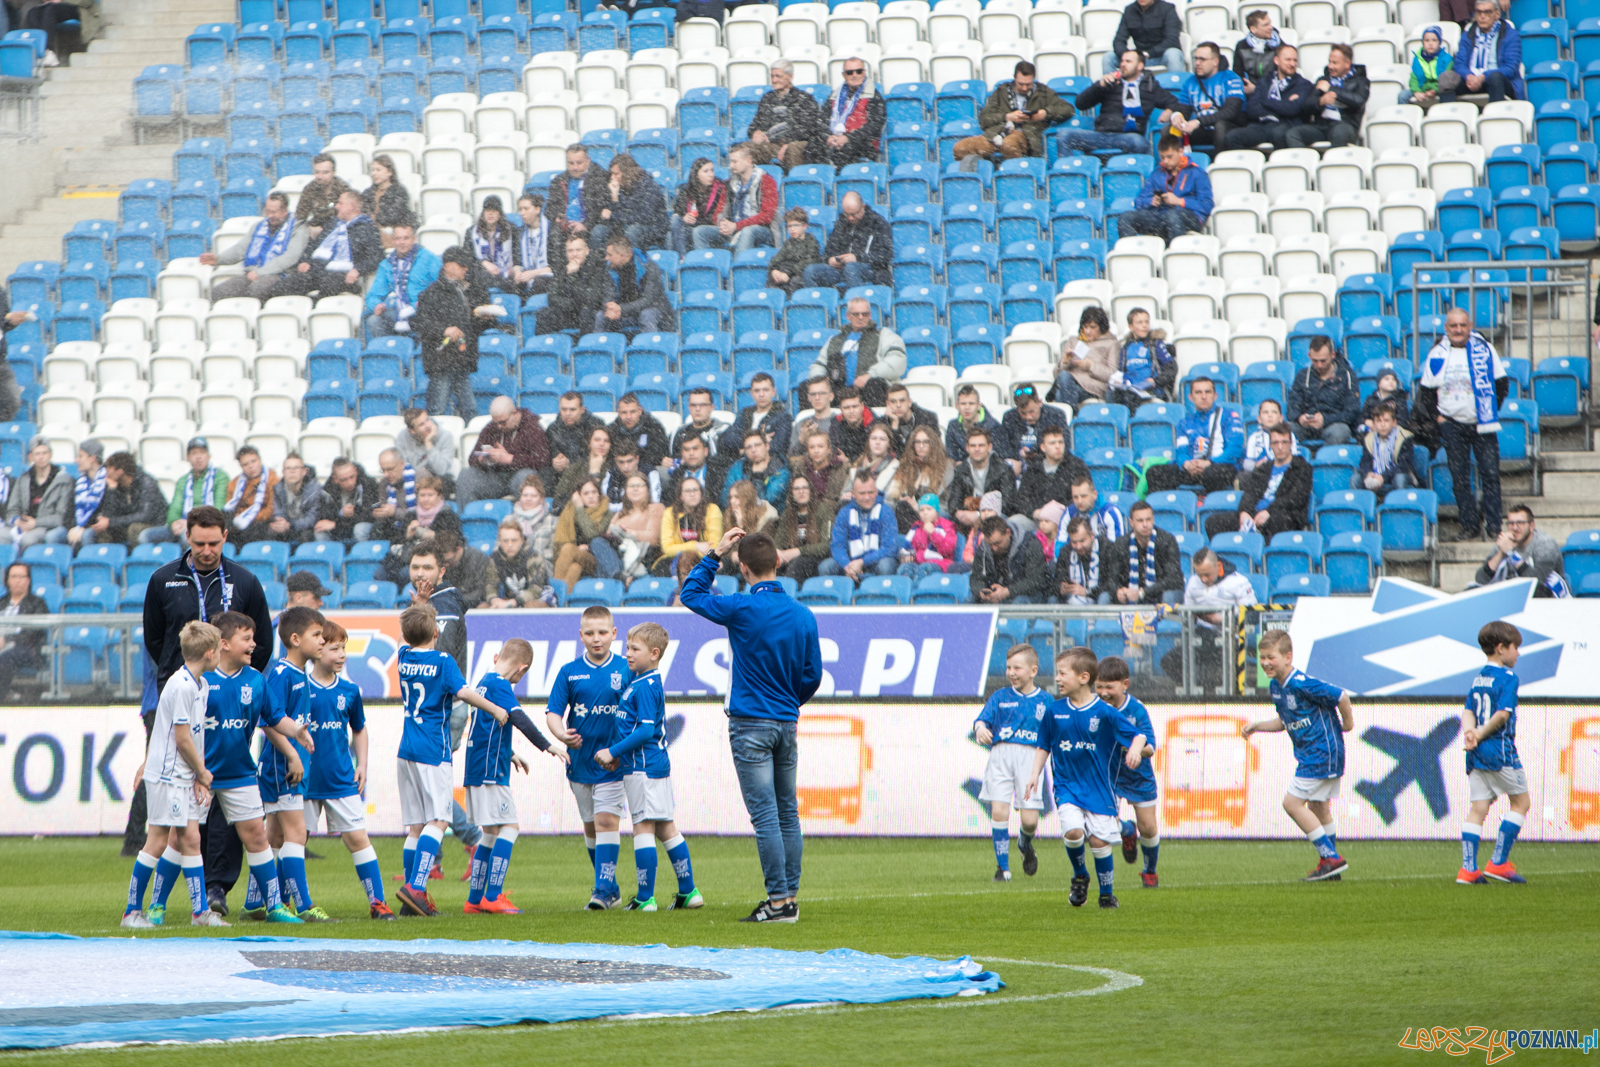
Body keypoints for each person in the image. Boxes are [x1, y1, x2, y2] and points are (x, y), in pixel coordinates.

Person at [681, 530, 821, 922]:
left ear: (742, 568)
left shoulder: (741, 607)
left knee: (765, 817)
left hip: (749, 725)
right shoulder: (802, 614)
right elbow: (813, 676)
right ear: (778, 562)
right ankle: (789, 897)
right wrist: (790, 704)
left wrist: (714, 553)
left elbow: (690, 596)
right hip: (785, 722)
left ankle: (778, 902)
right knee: (787, 812)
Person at [392, 602, 515, 917]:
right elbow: (464, 692)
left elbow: (408, 639)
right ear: (436, 632)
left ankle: (411, 898)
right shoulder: (443, 661)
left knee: (416, 826)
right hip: (434, 750)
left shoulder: (403, 658)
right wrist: (494, 708)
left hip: (406, 750)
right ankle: (416, 888)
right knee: (440, 820)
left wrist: (416, 604)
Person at [197, 612, 306, 924]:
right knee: (179, 841)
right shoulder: (200, 680)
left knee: (257, 837)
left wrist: (296, 731)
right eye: (247, 639)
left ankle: (274, 907)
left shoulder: (256, 680)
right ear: (224, 644)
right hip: (199, 775)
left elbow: (274, 718)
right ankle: (155, 906)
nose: (254, 645)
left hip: (240, 775)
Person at [119, 620, 227, 929]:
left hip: (182, 775)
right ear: (209, 653)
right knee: (156, 841)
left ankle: (200, 913)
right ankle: (131, 912)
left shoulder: (199, 685)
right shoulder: (181, 686)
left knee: (191, 838)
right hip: (168, 775)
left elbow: (195, 735)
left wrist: (195, 776)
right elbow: (181, 738)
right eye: (219, 649)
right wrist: (202, 773)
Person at [1023, 647, 1149, 909]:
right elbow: (1043, 745)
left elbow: (1139, 735)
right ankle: (1080, 875)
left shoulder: (1104, 712)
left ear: (1083, 677)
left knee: (1099, 841)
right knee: (1073, 832)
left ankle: (1106, 893)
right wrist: (1034, 774)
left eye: (1062, 673)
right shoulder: (1054, 711)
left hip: (1100, 789)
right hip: (1067, 786)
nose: (1056, 678)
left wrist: (1136, 749)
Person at [596, 622, 703, 911]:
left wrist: (613, 752)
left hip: (643, 768)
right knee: (666, 827)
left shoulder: (644, 686)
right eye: (627, 647)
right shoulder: (644, 682)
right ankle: (688, 892)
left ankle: (645, 898)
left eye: (634, 649)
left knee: (643, 827)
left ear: (654, 653)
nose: (627, 654)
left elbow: (644, 732)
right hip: (652, 766)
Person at [462, 639, 568, 914]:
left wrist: (509, 753)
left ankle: (474, 901)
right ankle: (493, 895)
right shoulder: (501, 685)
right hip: (490, 772)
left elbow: (486, 727)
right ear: (522, 669)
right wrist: (548, 745)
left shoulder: (485, 681)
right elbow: (519, 719)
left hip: (478, 767)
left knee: (490, 832)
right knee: (510, 828)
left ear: (497, 656)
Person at [301, 620, 398, 919]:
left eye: (344, 648)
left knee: (358, 839)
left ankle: (377, 902)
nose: (342, 654)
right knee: (291, 842)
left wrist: (363, 765)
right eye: (334, 649)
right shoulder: (298, 686)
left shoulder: (350, 690)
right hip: (303, 780)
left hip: (341, 779)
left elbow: (359, 729)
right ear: (317, 651)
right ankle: (285, 903)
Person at [1241, 629, 1354, 882]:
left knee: (1291, 804)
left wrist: (1347, 723)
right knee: (1319, 808)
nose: (1265, 663)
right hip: (1313, 754)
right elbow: (1284, 721)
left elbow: (1341, 696)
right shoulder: (1276, 686)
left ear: (1288, 657)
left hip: (1322, 752)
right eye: (1262, 658)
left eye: (1271, 657)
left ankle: (1331, 858)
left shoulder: (1301, 683)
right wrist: (1257, 725)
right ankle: (1330, 867)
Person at [544, 607, 633, 911]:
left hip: (613, 762)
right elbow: (553, 713)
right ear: (581, 635)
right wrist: (561, 735)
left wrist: (622, 748)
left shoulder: (627, 669)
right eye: (590, 633)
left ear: (614, 634)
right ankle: (611, 887)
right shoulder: (569, 672)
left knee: (607, 820)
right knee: (591, 826)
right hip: (579, 761)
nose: (597, 639)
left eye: (603, 633)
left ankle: (603, 891)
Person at [143, 506, 276, 695]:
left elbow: (262, 641)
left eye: (213, 544)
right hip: (179, 689)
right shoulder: (163, 580)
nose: (206, 551)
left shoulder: (245, 581)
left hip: (231, 691)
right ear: (188, 537)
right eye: (199, 544)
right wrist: (180, 670)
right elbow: (155, 640)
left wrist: (237, 676)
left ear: (225, 536)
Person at [252, 606, 329, 921]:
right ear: (295, 639)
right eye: (317, 635)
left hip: (288, 765)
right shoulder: (283, 674)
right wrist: (293, 754)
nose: (322, 641)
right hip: (281, 767)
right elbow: (269, 721)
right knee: (297, 833)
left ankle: (259, 901)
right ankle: (305, 905)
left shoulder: (299, 674)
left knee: (277, 837)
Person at [1417, 307, 1507, 542]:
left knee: (1490, 475)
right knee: (1459, 478)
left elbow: (1502, 383)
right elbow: (1426, 392)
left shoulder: (1485, 349)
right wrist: (1438, 417)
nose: (1458, 330)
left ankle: (1495, 526)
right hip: (1453, 425)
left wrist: (1488, 409)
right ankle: (1470, 525)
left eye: (1462, 325)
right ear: (1446, 328)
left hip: (1482, 425)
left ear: (1470, 326)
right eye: (1453, 326)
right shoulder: (1437, 353)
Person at [1458, 621, 1531, 885]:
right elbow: (1502, 715)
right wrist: (1480, 733)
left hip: (1475, 753)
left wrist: (1470, 732)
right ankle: (1498, 862)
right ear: (1501, 648)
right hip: (1499, 751)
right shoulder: (1508, 678)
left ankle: (1468, 869)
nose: (1518, 653)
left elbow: (1467, 710)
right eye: (1516, 648)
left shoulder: (1479, 677)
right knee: (1521, 803)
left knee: (1478, 807)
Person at [974, 645, 1051, 882]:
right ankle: (1002, 868)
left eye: (1017, 668)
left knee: (1030, 821)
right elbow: (981, 720)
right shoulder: (1000, 697)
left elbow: (1054, 732)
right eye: (1008, 668)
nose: (1011, 672)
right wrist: (980, 728)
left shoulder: (1046, 700)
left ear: (1033, 670)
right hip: (1001, 756)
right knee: (999, 810)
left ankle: (1024, 842)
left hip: (1030, 759)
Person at [1096, 656, 1162, 889]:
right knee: (1103, 825)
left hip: (1137, 777)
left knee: (1149, 827)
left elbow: (1150, 747)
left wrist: (1135, 750)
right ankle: (1126, 830)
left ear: (1125, 684)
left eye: (1109, 687)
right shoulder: (1093, 708)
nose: (1103, 692)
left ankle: (1149, 871)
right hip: (1107, 776)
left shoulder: (1136, 709)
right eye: (1099, 686)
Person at [415, 247, 500, 420]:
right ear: (448, 266)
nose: (465, 269)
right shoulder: (431, 294)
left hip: (460, 357)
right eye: (461, 265)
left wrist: (486, 318)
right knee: (439, 409)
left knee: (468, 410)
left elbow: (473, 325)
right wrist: (444, 330)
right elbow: (420, 323)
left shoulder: (469, 289)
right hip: (442, 359)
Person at [1162, 548, 1257, 690]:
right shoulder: (1193, 582)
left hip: (1232, 636)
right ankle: (1202, 690)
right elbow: (1188, 613)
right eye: (1200, 575)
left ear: (1218, 567)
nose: (1204, 579)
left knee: (1234, 667)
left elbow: (1252, 615)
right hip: (1201, 634)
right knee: (1169, 661)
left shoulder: (1238, 582)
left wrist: (1220, 620)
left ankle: (1231, 695)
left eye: (1207, 575)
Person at [1061, 49, 1183, 157]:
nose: (1123, 64)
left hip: (1127, 138)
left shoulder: (1150, 87)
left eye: (1128, 61)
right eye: (1122, 61)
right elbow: (1080, 104)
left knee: (1138, 142)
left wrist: (1169, 110)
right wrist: (1099, 85)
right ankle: (1069, 177)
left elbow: (1177, 102)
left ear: (1140, 65)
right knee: (1064, 136)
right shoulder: (1111, 82)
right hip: (1100, 136)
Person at [953, 60, 1074, 164]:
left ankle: (1015, 177)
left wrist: (1046, 113)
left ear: (1034, 79)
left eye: (1028, 84)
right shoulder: (1001, 92)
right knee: (960, 148)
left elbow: (1068, 109)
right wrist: (1006, 117)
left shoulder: (1044, 93)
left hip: (1026, 137)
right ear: (1014, 78)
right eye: (1021, 84)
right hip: (996, 134)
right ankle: (981, 178)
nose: (1024, 88)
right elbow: (984, 119)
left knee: (1008, 144)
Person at [1206, 425, 1311, 540]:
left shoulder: (1302, 468)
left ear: (1291, 444)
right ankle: (1226, 556)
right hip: (1255, 515)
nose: (1280, 447)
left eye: (1284, 442)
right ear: (1270, 445)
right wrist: (1244, 512)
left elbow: (1295, 498)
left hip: (1283, 515)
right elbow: (1250, 493)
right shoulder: (1264, 468)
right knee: (1213, 522)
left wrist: (1269, 512)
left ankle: (1260, 551)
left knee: (1278, 520)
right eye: (1275, 443)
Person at [202, 192, 307, 301]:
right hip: (251, 273)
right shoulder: (259, 226)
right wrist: (219, 259)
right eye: (267, 211)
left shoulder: (297, 227)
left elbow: (291, 256)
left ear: (285, 211)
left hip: (278, 274)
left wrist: (261, 272)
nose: (269, 215)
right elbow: (241, 249)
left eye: (273, 212)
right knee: (219, 291)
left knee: (257, 289)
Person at [1146, 376, 1243, 494]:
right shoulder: (1185, 423)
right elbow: (1181, 452)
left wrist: (1209, 463)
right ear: (1191, 397)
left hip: (1220, 467)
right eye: (1198, 392)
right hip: (1192, 469)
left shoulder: (1229, 416)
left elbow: (1234, 450)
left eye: (1208, 392)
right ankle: (1172, 508)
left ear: (1215, 396)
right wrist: (1187, 464)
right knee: (1155, 472)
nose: (1203, 396)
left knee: (1212, 473)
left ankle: (1212, 508)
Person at [276, 189, 381, 298]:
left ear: (351, 206)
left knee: (328, 285)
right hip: (317, 272)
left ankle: (313, 309)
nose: (336, 207)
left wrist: (358, 270)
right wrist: (305, 261)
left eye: (340, 203)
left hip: (343, 275)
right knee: (284, 285)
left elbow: (376, 257)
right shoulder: (333, 224)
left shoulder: (367, 228)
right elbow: (313, 245)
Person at [807, 298, 906, 408]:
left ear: (870, 315)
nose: (860, 317)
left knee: (874, 384)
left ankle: (875, 422)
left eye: (865, 314)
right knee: (808, 387)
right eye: (856, 314)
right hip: (838, 389)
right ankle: (810, 424)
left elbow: (898, 361)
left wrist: (869, 375)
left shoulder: (884, 335)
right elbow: (819, 364)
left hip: (868, 388)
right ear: (848, 316)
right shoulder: (835, 340)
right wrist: (820, 380)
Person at [1120, 134, 1213, 245]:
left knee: (1173, 216)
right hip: (1162, 217)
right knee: (1126, 218)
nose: (1165, 161)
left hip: (1191, 217)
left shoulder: (1197, 173)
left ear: (1180, 152)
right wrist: (1151, 201)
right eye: (1162, 157)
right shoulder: (1157, 173)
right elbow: (1138, 202)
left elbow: (1207, 205)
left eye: (1169, 157)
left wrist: (1180, 202)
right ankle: (1133, 257)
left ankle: (1178, 255)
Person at [459, 397, 551, 505]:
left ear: (514, 413)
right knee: (466, 476)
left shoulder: (532, 428)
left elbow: (543, 460)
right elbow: (472, 459)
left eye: (503, 422)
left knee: (525, 477)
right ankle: (468, 518)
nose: (499, 426)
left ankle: (524, 519)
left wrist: (510, 459)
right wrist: (482, 459)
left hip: (521, 475)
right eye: (496, 422)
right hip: (495, 478)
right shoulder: (492, 428)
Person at [1226, 44, 1315, 151]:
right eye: (1288, 60)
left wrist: (1264, 102)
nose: (1292, 64)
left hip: (1286, 125)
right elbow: (1252, 108)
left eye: (1295, 60)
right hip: (1261, 125)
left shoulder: (1303, 84)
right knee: (1232, 137)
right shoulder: (1264, 81)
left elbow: (1292, 109)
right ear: (1277, 61)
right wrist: (1282, 105)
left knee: (1278, 133)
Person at [694, 143, 778, 253]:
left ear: (748, 161)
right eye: (731, 162)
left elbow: (767, 216)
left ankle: (738, 267)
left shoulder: (766, 181)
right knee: (699, 231)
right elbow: (720, 211)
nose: (731, 165)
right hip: (733, 227)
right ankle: (705, 267)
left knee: (748, 231)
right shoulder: (729, 183)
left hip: (760, 230)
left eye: (735, 161)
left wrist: (737, 226)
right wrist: (723, 223)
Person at [1162, 43, 1245, 153]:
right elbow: (1183, 109)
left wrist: (1198, 122)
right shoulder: (1190, 82)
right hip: (1201, 129)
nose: (1197, 63)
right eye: (1196, 59)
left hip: (1229, 127)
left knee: (1220, 126)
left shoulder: (1231, 78)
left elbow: (1231, 111)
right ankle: (1178, 167)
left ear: (1215, 61)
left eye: (1202, 59)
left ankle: (1220, 166)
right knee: (1168, 130)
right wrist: (1177, 116)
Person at [803, 192, 894, 291]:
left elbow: (886, 255)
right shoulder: (842, 222)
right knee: (810, 271)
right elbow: (829, 249)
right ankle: (816, 302)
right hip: (840, 270)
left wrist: (857, 258)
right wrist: (830, 259)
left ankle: (857, 303)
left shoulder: (878, 223)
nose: (850, 218)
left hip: (871, 269)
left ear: (863, 207)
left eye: (854, 214)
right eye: (847, 214)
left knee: (851, 268)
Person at [363, 224, 440, 339]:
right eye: (398, 238)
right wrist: (376, 305)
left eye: (406, 238)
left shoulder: (428, 258)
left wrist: (423, 303)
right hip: (399, 311)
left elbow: (441, 286)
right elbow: (373, 294)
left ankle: (421, 353)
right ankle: (387, 352)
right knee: (374, 320)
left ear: (414, 239)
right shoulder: (387, 265)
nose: (402, 242)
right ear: (393, 241)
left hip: (423, 310)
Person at [820, 469, 898, 582]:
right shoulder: (844, 513)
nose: (867, 497)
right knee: (825, 567)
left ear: (876, 492)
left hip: (877, 561)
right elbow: (837, 546)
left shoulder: (886, 511)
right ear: (853, 494)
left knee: (885, 566)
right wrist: (847, 566)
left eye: (870, 492)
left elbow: (890, 548)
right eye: (862, 493)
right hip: (851, 561)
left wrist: (862, 562)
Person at [1287, 44, 1369, 151]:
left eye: (1335, 63)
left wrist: (1332, 89)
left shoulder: (1361, 81)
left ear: (1347, 63)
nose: (1330, 66)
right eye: (1330, 62)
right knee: (1293, 133)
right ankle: (1305, 163)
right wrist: (1320, 101)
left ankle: (1334, 166)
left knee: (1339, 132)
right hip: (1321, 125)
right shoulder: (1323, 79)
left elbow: (1359, 100)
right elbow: (1307, 104)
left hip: (1346, 125)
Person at [806, 58, 886, 167]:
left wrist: (849, 138)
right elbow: (821, 120)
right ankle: (819, 180)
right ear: (844, 75)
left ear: (864, 72)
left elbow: (874, 126)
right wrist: (828, 137)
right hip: (836, 138)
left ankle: (842, 181)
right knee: (812, 147)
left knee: (844, 150)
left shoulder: (873, 96)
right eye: (850, 72)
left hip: (862, 142)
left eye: (858, 71)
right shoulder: (835, 96)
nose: (854, 75)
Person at [1473, 506, 1567, 597]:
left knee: (1535, 591)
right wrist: (1501, 553)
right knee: (1472, 590)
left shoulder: (1545, 543)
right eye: (1511, 523)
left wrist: (1511, 554)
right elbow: (1481, 579)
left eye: (1520, 523)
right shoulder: (1504, 543)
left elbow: (1536, 580)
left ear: (1531, 525)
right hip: (1515, 594)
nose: (1515, 528)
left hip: (1549, 595)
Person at [746, 59, 824, 170]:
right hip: (771, 144)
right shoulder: (767, 98)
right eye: (772, 76)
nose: (774, 80)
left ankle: (795, 183)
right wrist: (755, 132)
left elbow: (808, 129)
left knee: (792, 150)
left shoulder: (804, 98)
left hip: (797, 143)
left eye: (778, 76)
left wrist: (788, 143)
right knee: (743, 151)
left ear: (790, 76)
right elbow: (754, 124)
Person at [1439, 1, 1523, 103]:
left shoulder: (1510, 35)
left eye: (1487, 12)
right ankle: (1449, 116)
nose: (1482, 16)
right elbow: (1459, 63)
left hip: (1499, 81)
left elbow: (1510, 68)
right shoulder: (1468, 34)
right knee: (1447, 78)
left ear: (1497, 14)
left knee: (1495, 78)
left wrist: (1483, 77)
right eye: (1479, 12)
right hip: (1471, 80)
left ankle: (1495, 117)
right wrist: (1469, 76)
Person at [1287, 336, 1360, 446]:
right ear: (1309, 355)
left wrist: (1325, 419)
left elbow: (1352, 412)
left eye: (1323, 361)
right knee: (1285, 430)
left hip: (1333, 425)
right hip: (1306, 426)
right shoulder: (1302, 376)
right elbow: (1292, 405)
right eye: (1315, 361)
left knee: (1340, 432)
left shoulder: (1347, 376)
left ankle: (1323, 461)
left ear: (1332, 355)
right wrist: (1299, 418)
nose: (1319, 365)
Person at [597, 236, 675, 335]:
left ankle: (651, 348)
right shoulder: (610, 269)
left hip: (655, 310)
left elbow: (648, 300)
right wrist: (610, 308)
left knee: (647, 315)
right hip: (625, 313)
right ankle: (601, 348)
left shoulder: (649, 267)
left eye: (610, 255)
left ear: (622, 255)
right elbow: (607, 295)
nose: (606, 258)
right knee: (600, 316)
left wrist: (621, 309)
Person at [1110, 500, 1184, 604]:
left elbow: (1173, 579)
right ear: (1131, 523)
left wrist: (1143, 592)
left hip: (1160, 594)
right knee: (1106, 597)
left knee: (1169, 596)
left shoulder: (1167, 541)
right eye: (1140, 520)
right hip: (1130, 595)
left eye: (1148, 520)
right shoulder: (1121, 543)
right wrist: (1119, 590)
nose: (1145, 524)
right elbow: (1111, 578)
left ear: (1153, 520)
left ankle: (1167, 621)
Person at [3, 436, 71, 547]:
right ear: (30, 457)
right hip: (22, 525)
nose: (41, 457)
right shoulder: (23, 479)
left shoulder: (62, 480)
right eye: (37, 454)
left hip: (45, 527)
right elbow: (12, 510)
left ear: (51, 455)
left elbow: (60, 517)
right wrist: (16, 521)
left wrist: (35, 523)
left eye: (44, 453)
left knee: (28, 540)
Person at [591, 153, 668, 252]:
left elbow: (644, 217)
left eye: (616, 174)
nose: (612, 177)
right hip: (626, 225)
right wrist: (614, 197)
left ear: (627, 173)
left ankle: (634, 263)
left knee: (633, 231)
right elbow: (609, 218)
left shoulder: (649, 187)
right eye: (611, 174)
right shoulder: (618, 187)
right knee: (599, 231)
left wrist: (613, 215)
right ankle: (600, 264)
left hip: (652, 230)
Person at [87, 451, 166, 546]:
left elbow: (145, 515)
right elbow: (108, 515)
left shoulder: (147, 483)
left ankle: (137, 559)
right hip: (127, 524)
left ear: (119, 472)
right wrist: (111, 489)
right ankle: (106, 558)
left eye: (109, 469)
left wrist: (111, 522)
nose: (106, 472)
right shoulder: (115, 485)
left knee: (134, 529)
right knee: (101, 529)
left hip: (154, 525)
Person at [538, 234, 612, 335]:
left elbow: (591, 298)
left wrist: (572, 276)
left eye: (578, 250)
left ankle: (584, 348)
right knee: (544, 313)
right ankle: (544, 348)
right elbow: (552, 297)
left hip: (589, 314)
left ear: (586, 250)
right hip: (568, 313)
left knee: (586, 311)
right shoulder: (562, 267)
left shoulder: (597, 266)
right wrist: (572, 304)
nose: (574, 254)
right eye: (570, 251)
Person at [597, 473, 664, 581]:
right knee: (597, 543)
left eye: (640, 486)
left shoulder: (655, 508)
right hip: (617, 554)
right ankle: (618, 578)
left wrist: (626, 533)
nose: (635, 489)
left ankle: (615, 582)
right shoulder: (619, 514)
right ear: (626, 491)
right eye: (631, 486)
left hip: (641, 554)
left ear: (647, 490)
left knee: (602, 561)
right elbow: (609, 537)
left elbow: (653, 538)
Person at [1106, 308, 1176, 410]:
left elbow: (1172, 368)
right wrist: (1118, 381)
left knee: (1129, 399)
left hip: (1151, 391)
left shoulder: (1155, 344)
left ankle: (1131, 425)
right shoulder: (1126, 347)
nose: (1144, 325)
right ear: (1131, 327)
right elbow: (1121, 372)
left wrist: (1156, 381)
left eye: (1146, 322)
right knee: (1111, 395)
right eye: (1140, 322)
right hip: (1130, 389)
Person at [942, 428, 1015, 525]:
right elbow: (954, 499)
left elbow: (1008, 503)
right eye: (973, 446)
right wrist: (958, 513)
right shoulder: (961, 470)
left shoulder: (1003, 469)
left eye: (981, 445)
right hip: (967, 517)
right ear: (967, 448)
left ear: (989, 447)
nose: (977, 449)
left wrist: (980, 514)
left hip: (995, 519)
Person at [655, 477, 722, 579]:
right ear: (681, 496)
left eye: (695, 490)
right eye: (687, 491)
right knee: (660, 568)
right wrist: (696, 546)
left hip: (702, 559)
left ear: (701, 493)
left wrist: (689, 554)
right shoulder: (670, 513)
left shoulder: (712, 510)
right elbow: (667, 548)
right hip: (675, 560)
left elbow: (714, 547)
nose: (692, 494)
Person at [971, 515, 1049, 604]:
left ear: (1007, 533)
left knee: (1019, 602)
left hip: (1028, 595)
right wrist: (981, 592)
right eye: (990, 544)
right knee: (971, 599)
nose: (994, 548)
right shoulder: (984, 548)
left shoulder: (1030, 543)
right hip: (997, 595)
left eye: (997, 543)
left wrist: (1007, 591)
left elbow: (1036, 581)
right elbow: (976, 578)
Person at [999, 382, 1071, 476]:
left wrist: (1035, 454)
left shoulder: (1056, 416)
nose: (1028, 417)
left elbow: (1064, 446)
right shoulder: (1009, 417)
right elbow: (1002, 447)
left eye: (1032, 411)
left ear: (1039, 403)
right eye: (1023, 413)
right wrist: (1018, 456)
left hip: (1047, 468)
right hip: (1017, 470)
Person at [1052, 306, 1119, 407]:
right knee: (1063, 378)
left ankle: (1070, 416)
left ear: (1102, 327)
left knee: (1060, 393)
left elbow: (1113, 374)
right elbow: (1056, 374)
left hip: (1093, 387)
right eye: (1085, 327)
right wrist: (1065, 362)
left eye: (1093, 327)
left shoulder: (1112, 344)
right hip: (1071, 385)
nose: (1088, 331)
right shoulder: (1073, 341)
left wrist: (1091, 366)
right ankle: (1072, 416)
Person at [552, 479, 613, 588]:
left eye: (594, 492)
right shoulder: (569, 510)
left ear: (599, 494)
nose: (591, 496)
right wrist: (577, 549)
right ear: (578, 496)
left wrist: (580, 508)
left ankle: (553, 591)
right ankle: (561, 600)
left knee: (568, 548)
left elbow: (591, 534)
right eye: (586, 493)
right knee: (575, 568)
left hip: (595, 560)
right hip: (575, 559)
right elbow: (558, 545)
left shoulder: (606, 512)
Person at [773, 476, 835, 582]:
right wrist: (779, 554)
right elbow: (778, 542)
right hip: (791, 558)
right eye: (796, 489)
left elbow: (826, 546)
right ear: (791, 493)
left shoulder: (824, 511)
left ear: (811, 490)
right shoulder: (787, 514)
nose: (801, 491)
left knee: (797, 565)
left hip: (816, 558)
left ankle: (791, 596)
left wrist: (798, 551)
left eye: (805, 488)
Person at [0, 562, 46, 697]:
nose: (17, 581)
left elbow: (33, 632)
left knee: (5, 660)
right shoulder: (1, 602)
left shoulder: (37, 604)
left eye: (21, 576)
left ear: (28, 580)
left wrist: (6, 639)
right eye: (13, 576)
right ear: (7, 580)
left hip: (26, 648)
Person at [720, 371, 791, 458]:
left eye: (765, 390)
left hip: (769, 464)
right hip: (741, 464)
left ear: (773, 392)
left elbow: (778, 447)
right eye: (757, 390)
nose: (761, 394)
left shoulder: (783, 417)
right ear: (752, 393)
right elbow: (727, 439)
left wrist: (743, 451)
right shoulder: (744, 414)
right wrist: (761, 439)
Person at [547, 144, 611, 240]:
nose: (575, 168)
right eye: (571, 163)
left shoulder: (600, 178)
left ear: (587, 161)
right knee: (553, 233)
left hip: (590, 226)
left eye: (579, 163)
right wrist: (558, 217)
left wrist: (586, 225)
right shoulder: (559, 181)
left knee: (598, 232)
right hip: (565, 228)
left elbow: (601, 207)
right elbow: (549, 208)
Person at [1106, 0, 1185, 74]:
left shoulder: (1168, 9)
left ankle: (1175, 86)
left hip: (1161, 56)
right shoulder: (1129, 10)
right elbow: (1119, 40)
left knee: (1173, 54)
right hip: (1138, 58)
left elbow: (1171, 40)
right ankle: (1111, 87)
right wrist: (1127, 55)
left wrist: (1148, 54)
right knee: (1108, 57)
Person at [222, 446, 279, 546]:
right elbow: (229, 507)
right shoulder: (234, 484)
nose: (251, 466)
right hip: (238, 521)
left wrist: (248, 517)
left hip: (261, 521)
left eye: (253, 461)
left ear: (260, 460)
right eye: (245, 464)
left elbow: (271, 509)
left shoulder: (273, 480)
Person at [1355, 402, 1415, 494]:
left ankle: (1400, 506)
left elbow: (1404, 465)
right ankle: (1362, 507)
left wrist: (1383, 477)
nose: (1383, 425)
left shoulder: (1404, 437)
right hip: (1376, 475)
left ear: (1394, 422)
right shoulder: (1369, 439)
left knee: (1400, 478)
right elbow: (1365, 461)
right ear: (1374, 424)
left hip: (1394, 475)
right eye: (1378, 421)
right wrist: (1368, 473)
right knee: (1356, 479)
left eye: (1386, 421)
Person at [721, 429, 790, 510]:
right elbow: (725, 500)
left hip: (772, 520)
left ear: (767, 446)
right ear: (745, 451)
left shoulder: (781, 470)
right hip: (740, 517)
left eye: (757, 445)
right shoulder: (738, 467)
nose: (753, 450)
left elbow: (764, 504)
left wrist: (757, 475)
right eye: (748, 447)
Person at [670, 158, 726, 256]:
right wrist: (684, 217)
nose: (711, 174)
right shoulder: (687, 190)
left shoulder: (720, 189)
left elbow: (716, 217)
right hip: (690, 228)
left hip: (711, 229)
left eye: (712, 170)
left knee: (697, 231)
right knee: (674, 222)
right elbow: (678, 210)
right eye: (706, 171)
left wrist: (696, 222)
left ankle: (696, 260)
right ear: (696, 174)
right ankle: (682, 257)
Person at [1055, 516, 1117, 605]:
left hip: (1100, 597)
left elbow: (1112, 583)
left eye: (1082, 541)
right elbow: (1056, 582)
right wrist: (1062, 588)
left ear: (1092, 535)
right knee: (1054, 599)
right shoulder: (1066, 552)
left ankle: (1101, 619)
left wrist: (1088, 592)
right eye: (1074, 542)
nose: (1078, 546)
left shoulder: (1108, 548)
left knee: (1104, 596)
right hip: (1074, 598)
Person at [314, 458, 378, 544]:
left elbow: (369, 515)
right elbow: (324, 514)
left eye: (352, 477)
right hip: (341, 528)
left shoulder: (368, 484)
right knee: (320, 530)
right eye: (344, 479)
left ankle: (365, 556)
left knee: (360, 529)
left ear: (355, 471)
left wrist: (337, 524)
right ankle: (328, 556)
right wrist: (341, 513)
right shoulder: (328, 490)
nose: (350, 482)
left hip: (360, 525)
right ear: (335, 479)